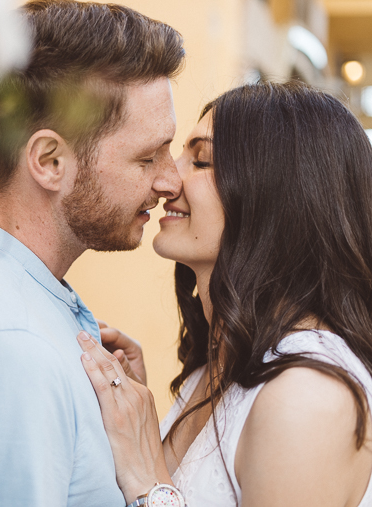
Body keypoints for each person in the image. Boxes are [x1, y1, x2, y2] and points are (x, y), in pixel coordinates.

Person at [0, 1, 184, 505]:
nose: (169, 181)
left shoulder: (19, 308)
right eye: (148, 156)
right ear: (49, 161)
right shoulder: (7, 356)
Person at [78, 81, 372, 507]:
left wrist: (148, 481)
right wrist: (141, 416)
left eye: (200, 161)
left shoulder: (307, 398)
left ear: (277, 196)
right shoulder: (218, 364)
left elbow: (160, 488)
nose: (165, 178)